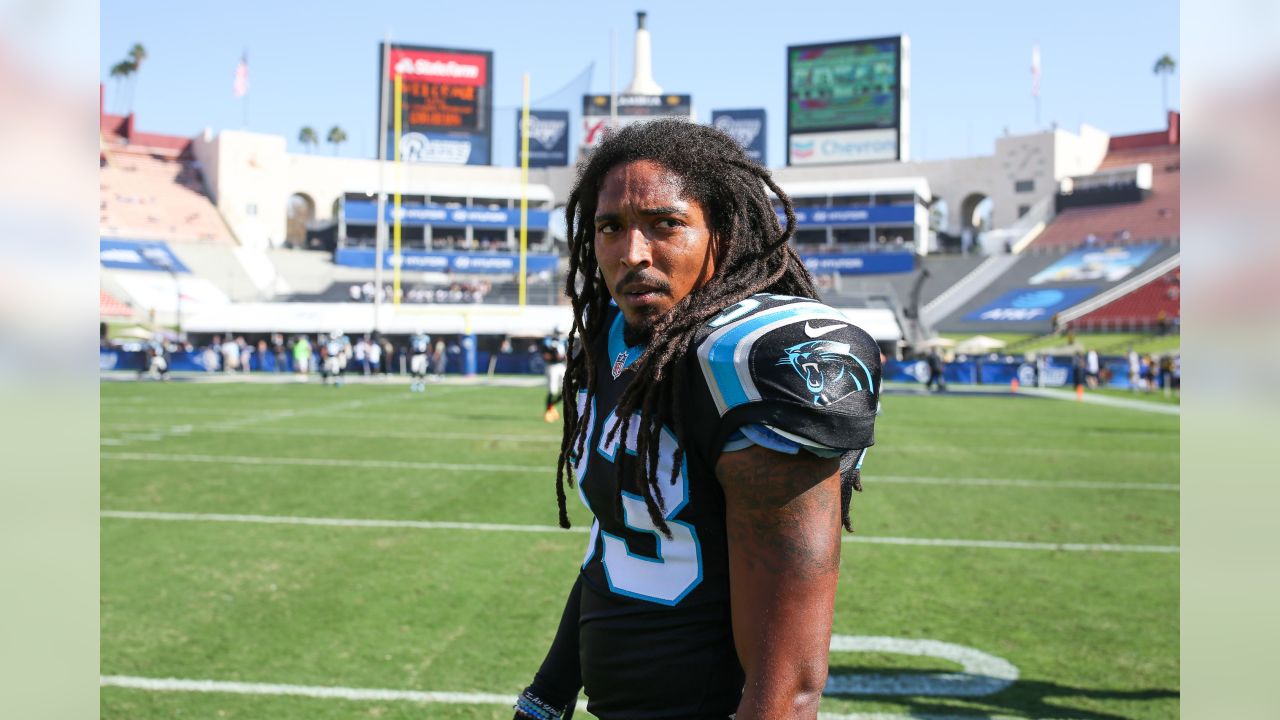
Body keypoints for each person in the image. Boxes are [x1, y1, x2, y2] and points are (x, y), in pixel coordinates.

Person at [512, 119, 881, 720]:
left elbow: (787, 684)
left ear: (724, 231)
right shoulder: (613, 339)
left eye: (666, 224)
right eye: (610, 228)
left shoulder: (749, 361)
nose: (633, 253)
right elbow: (616, 544)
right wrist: (546, 694)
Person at [541, 328, 568, 422]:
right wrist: (554, 356)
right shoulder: (548, 342)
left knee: (565, 391)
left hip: (562, 366)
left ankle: (551, 406)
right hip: (552, 366)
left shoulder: (563, 342)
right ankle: (548, 411)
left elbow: (566, 354)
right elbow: (545, 355)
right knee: (552, 390)